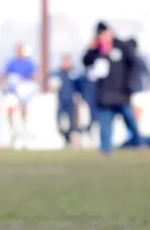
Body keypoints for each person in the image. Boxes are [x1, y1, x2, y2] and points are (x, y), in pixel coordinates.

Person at [81, 21, 140, 156]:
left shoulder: (121, 47)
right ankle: (105, 149)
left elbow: (133, 64)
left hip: (122, 93)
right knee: (105, 124)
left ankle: (140, 144)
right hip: (105, 94)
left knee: (131, 121)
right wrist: (90, 49)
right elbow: (85, 62)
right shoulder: (97, 51)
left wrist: (130, 84)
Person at [1, 43, 39, 148]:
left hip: (24, 90)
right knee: (11, 109)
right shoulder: (11, 62)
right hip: (13, 91)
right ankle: (13, 131)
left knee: (24, 110)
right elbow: (4, 75)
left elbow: (34, 76)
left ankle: (24, 132)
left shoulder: (29, 63)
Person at [51, 54, 82, 147]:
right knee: (61, 122)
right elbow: (51, 84)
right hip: (61, 101)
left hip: (72, 101)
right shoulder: (58, 73)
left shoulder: (75, 73)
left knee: (73, 122)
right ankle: (65, 139)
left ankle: (74, 141)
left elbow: (81, 85)